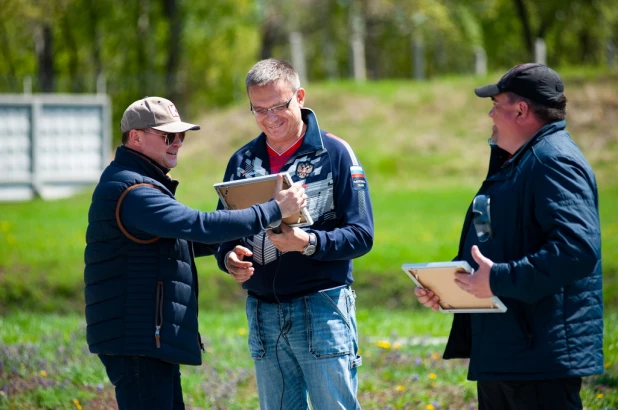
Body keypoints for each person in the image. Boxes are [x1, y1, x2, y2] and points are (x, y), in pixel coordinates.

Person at [84, 96, 307, 410]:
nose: (177, 143)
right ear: (135, 137)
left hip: (145, 338)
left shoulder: (137, 182)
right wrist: (273, 209)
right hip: (139, 339)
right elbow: (196, 225)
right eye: (167, 136)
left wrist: (225, 249)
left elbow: (173, 240)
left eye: (181, 135)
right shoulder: (133, 191)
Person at [415, 64, 603, 409]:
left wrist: (498, 279)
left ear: (520, 110)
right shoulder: (520, 161)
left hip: (539, 361)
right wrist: (450, 288)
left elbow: (577, 250)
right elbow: (501, 244)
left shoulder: (554, 161)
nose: (490, 113)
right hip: (506, 354)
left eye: (496, 104)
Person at [215, 58, 374, 409]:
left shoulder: (336, 153)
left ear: (300, 96)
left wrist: (309, 243)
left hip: (322, 306)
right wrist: (228, 258)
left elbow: (362, 235)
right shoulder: (242, 161)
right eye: (259, 110)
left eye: (279, 106)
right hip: (261, 311)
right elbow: (224, 231)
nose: (270, 117)